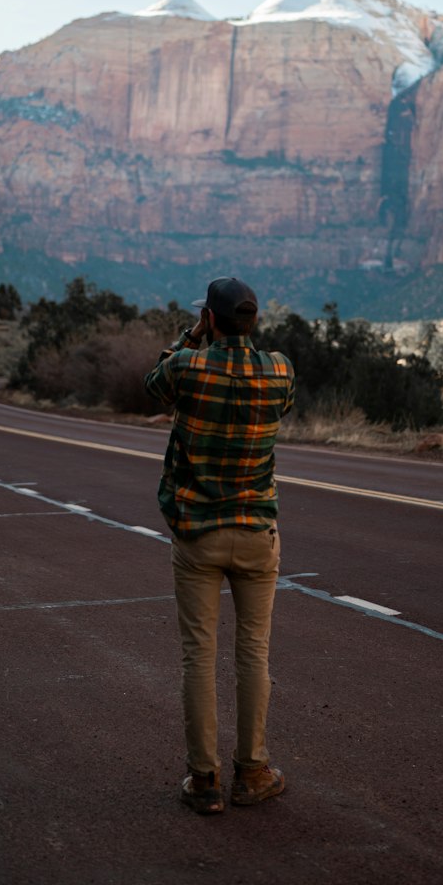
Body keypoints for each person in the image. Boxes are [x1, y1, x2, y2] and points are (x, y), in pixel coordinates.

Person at [145, 276, 296, 815]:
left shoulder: (189, 366)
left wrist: (191, 336)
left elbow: (153, 385)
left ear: (210, 319)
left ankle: (204, 781)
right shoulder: (280, 368)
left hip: (198, 533)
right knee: (254, 652)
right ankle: (252, 772)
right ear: (253, 321)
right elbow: (281, 408)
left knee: (198, 658)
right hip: (257, 532)